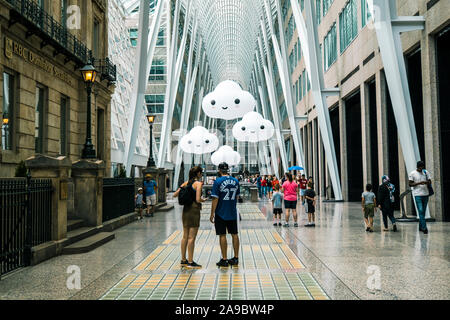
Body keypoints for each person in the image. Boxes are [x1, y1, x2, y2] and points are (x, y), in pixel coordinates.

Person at [173, 166, 205, 269]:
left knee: (185, 236)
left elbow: (174, 194)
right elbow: (198, 199)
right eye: (201, 173)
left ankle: (183, 260)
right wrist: (203, 200)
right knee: (192, 238)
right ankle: (191, 261)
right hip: (194, 211)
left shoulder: (185, 183)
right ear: (198, 173)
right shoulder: (198, 184)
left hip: (185, 211)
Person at [210, 162, 240, 268]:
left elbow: (215, 199)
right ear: (227, 170)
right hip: (232, 212)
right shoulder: (236, 181)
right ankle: (236, 258)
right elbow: (237, 197)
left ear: (219, 170)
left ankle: (224, 259)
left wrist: (212, 213)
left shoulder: (218, 181)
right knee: (234, 234)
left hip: (220, 213)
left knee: (222, 235)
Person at [409, 161, 432, 234]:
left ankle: (420, 227)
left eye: (422, 167)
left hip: (425, 194)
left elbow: (430, 181)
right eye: (420, 168)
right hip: (417, 194)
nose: (421, 169)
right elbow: (410, 184)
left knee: (423, 212)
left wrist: (426, 182)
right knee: (421, 211)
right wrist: (419, 183)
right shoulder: (412, 173)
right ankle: (424, 228)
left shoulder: (425, 172)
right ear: (417, 167)